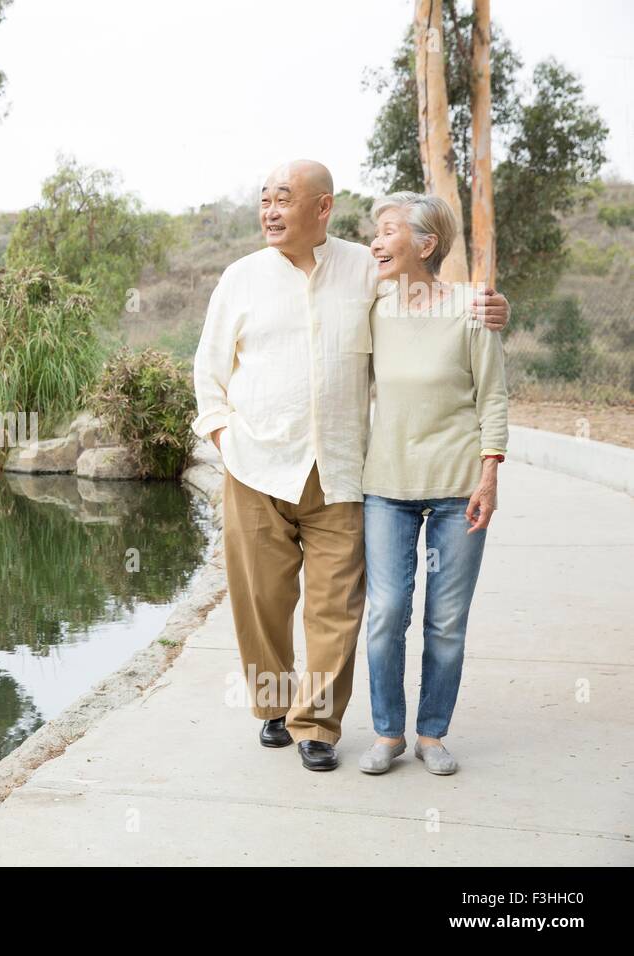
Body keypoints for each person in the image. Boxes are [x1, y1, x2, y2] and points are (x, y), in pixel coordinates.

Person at [192, 160, 509, 771]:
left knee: (338, 606)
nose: (270, 210)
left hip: (340, 469)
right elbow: (209, 369)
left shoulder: (367, 269)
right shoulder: (240, 278)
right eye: (265, 199)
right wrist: (225, 438)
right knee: (262, 600)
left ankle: (317, 724)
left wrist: (494, 306)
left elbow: (435, 297)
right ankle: (272, 706)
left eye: (284, 198)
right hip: (257, 463)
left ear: (322, 207)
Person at [356, 192, 507, 777]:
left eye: (388, 231)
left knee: (446, 619)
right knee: (388, 611)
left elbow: (493, 396)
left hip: (457, 487)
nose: (375, 241)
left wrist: (489, 474)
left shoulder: (472, 309)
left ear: (425, 244)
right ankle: (388, 732)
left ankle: (432, 733)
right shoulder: (372, 305)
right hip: (387, 486)